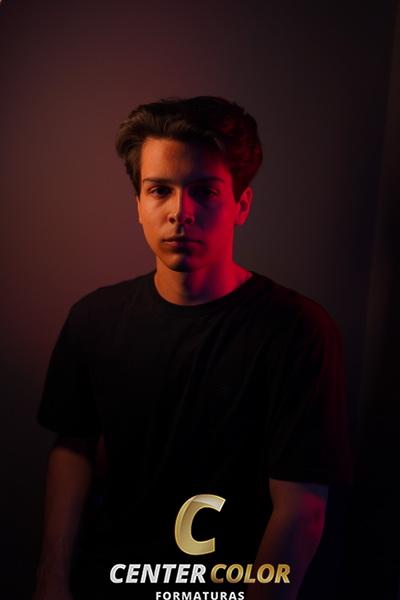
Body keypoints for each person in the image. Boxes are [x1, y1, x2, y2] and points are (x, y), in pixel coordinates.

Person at [33, 96, 352, 600]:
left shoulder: (298, 332)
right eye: (159, 190)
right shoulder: (94, 318)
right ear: (139, 205)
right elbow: (73, 449)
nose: (180, 213)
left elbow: (301, 509)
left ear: (241, 205)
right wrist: (51, 579)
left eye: (205, 191)